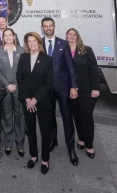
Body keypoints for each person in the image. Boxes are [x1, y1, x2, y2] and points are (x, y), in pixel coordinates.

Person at [42, 17, 79, 166]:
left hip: (63, 87)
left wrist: (74, 86)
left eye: (50, 26)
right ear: (43, 28)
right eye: (46, 26)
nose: (48, 28)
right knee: (50, 116)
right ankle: (53, 140)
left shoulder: (63, 44)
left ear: (54, 27)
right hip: (46, 88)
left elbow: (71, 66)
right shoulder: (39, 44)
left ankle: (71, 148)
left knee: (67, 117)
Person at [17, 32, 53, 175]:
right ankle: (34, 155)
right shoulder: (23, 57)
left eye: (34, 41)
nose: (32, 44)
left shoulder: (47, 59)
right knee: (30, 129)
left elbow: (48, 83)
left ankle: (45, 159)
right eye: (29, 41)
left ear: (39, 43)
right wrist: (27, 99)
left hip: (42, 101)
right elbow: (19, 78)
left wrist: (35, 99)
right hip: (27, 101)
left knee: (45, 130)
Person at [66, 28, 100, 158]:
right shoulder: (65, 51)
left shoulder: (86, 50)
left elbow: (94, 69)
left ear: (78, 36)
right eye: (69, 34)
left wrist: (95, 88)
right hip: (71, 91)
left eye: (74, 35)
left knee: (87, 116)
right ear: (66, 36)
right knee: (76, 116)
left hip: (86, 90)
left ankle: (89, 144)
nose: (72, 36)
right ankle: (81, 138)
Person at [0, 28, 25, 156]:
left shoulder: (21, 50)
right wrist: (7, 85)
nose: (8, 37)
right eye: (5, 35)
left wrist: (16, 85)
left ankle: (20, 143)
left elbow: (24, 70)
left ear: (14, 36)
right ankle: (9, 142)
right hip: (5, 89)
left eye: (10, 35)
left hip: (18, 88)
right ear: (3, 37)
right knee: (6, 116)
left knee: (19, 116)